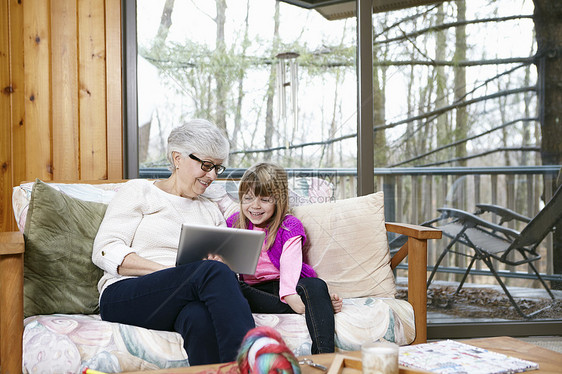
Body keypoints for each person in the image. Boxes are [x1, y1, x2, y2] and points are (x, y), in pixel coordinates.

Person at [92, 119, 255, 366]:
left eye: (217, 168)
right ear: (177, 158)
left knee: (199, 318)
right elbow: (106, 250)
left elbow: (223, 279)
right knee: (210, 273)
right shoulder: (139, 191)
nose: (211, 175)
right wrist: (177, 274)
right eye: (206, 165)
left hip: (183, 300)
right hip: (125, 294)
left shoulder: (210, 210)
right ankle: (251, 365)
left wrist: (222, 268)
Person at [226, 162, 343, 354]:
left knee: (315, 285)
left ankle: (324, 355)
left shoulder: (289, 225)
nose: (255, 206)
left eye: (264, 199)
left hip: (291, 286)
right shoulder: (234, 223)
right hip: (257, 291)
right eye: (248, 198)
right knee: (230, 286)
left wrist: (290, 295)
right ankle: (319, 306)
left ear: (278, 201)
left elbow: (290, 263)